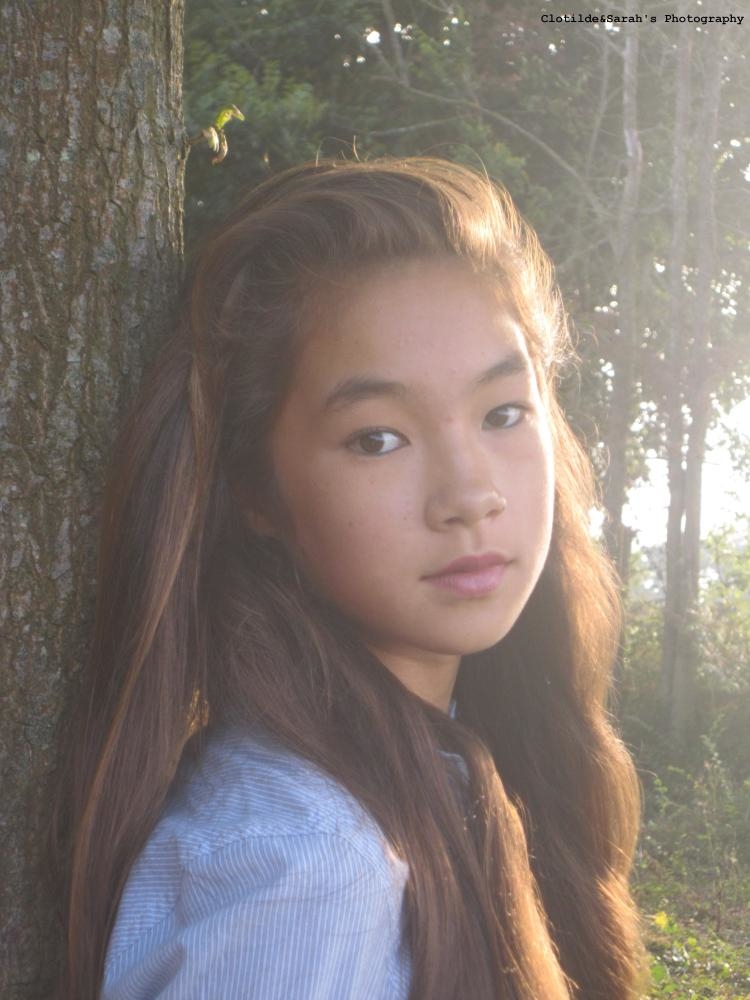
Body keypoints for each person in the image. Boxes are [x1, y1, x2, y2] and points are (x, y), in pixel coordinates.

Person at [56, 156, 646, 999]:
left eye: (503, 413)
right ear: (256, 490)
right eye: (378, 438)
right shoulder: (310, 865)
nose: (470, 494)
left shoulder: (449, 769)